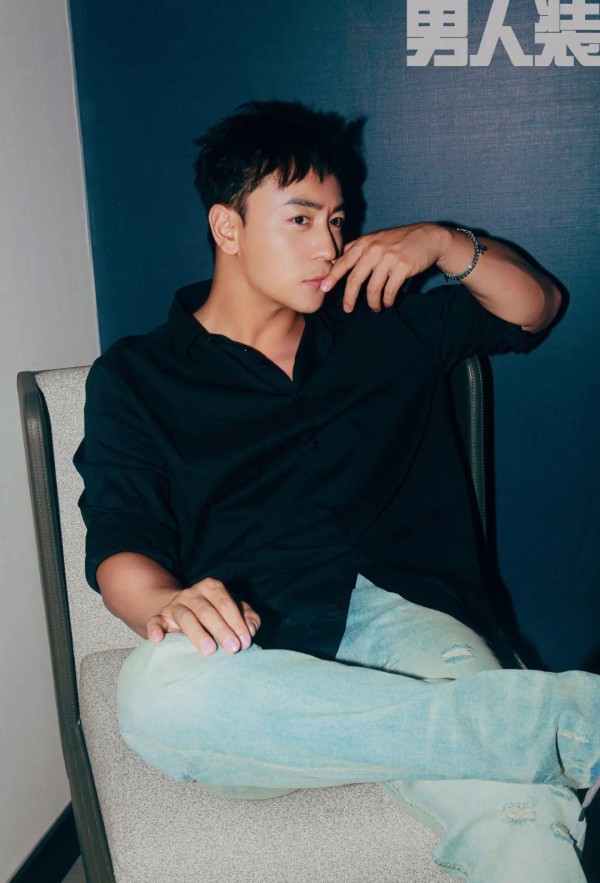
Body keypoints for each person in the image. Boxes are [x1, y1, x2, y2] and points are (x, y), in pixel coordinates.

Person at [74, 100, 599, 883]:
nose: (330, 244)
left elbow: (536, 308)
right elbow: (121, 536)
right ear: (227, 227)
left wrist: (444, 242)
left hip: (419, 616)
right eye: (300, 219)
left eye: (338, 220)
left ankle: (523, 731)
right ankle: (566, 722)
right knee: (157, 697)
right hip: (259, 645)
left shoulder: (383, 324)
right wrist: (166, 602)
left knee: (514, 814)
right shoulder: (138, 376)